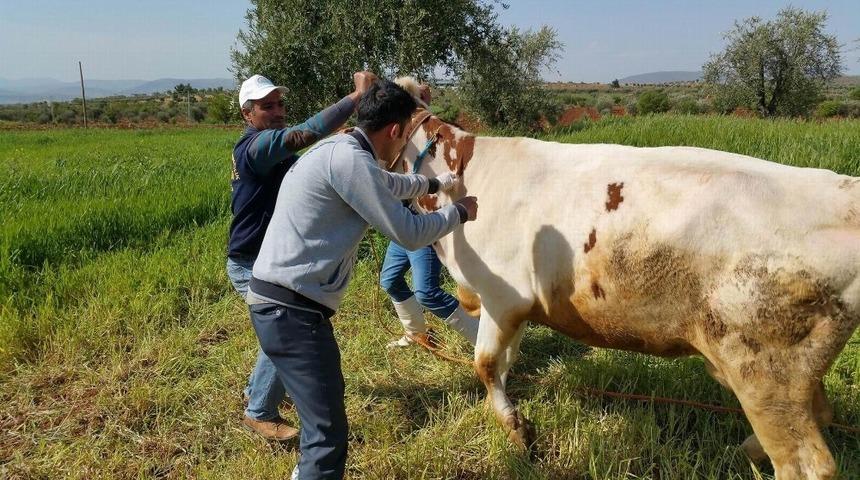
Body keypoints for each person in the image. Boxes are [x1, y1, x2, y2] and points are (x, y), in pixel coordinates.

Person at [246, 79, 478, 480]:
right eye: (405, 136)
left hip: (282, 304)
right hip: (291, 311)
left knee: (323, 428)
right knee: (327, 438)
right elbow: (409, 232)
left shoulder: (341, 150)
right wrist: (460, 212)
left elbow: (388, 183)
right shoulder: (351, 161)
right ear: (396, 130)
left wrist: (435, 183)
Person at [228, 71, 376, 441]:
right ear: (247, 114)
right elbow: (302, 134)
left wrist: (338, 141)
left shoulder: (270, 150)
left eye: (280, 104)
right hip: (252, 262)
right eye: (267, 106)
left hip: (266, 258)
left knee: (279, 329)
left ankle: (255, 391)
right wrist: (355, 98)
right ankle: (259, 411)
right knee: (287, 329)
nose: (278, 111)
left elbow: (305, 161)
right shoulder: (255, 147)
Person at [381, 78, 479, 348]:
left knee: (427, 292)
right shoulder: (396, 133)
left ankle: (484, 339)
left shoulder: (428, 134)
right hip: (403, 221)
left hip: (422, 221)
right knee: (390, 279)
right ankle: (415, 333)